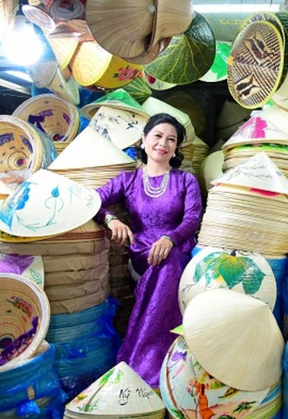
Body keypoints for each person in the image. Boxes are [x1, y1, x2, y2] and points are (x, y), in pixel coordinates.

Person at [95, 113, 202, 386]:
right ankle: (154, 358)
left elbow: (192, 218)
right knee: (161, 263)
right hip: (141, 251)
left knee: (168, 262)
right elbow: (93, 200)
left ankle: (154, 360)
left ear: (176, 148)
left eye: (171, 139)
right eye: (157, 136)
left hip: (176, 249)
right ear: (143, 140)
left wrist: (170, 239)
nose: (163, 143)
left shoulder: (185, 180)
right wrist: (111, 219)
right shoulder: (127, 181)